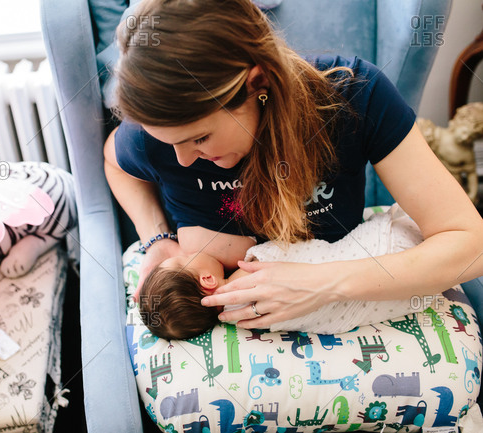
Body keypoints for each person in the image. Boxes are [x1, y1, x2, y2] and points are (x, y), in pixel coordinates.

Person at [103, 0, 483, 331]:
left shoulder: (353, 98)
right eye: (169, 143)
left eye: (200, 138)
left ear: (259, 81)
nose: (182, 160)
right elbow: (115, 162)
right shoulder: (155, 136)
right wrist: (156, 235)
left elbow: (471, 244)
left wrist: (321, 284)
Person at [138, 205, 425, 340]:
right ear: (208, 280)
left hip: (391, 302)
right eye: (186, 258)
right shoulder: (253, 267)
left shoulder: (244, 322)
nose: (188, 250)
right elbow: (304, 248)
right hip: (390, 254)